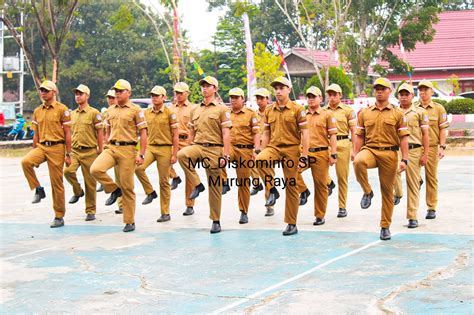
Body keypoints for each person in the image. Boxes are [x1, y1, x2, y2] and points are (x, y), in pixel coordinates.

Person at [353, 77, 409, 240]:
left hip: (389, 154)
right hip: (370, 150)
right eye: (377, 88)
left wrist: (404, 159)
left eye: (382, 88)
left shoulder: (398, 114)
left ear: (389, 92)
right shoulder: (364, 113)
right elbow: (359, 135)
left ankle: (385, 226)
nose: (379, 91)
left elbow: (404, 138)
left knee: (387, 192)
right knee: (358, 162)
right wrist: (356, 153)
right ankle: (367, 192)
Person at [90, 79, 147, 232]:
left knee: (128, 187)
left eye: (121, 91)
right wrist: (105, 145)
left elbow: (143, 132)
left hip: (128, 150)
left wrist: (141, 154)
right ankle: (114, 190)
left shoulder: (136, 110)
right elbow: (106, 131)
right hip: (111, 148)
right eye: (116, 90)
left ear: (129, 93)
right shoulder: (110, 110)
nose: (117, 93)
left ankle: (129, 221)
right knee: (95, 169)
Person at [177, 76, 232, 234]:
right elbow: (192, 131)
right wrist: (189, 146)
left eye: (208, 86)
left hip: (214, 149)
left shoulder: (222, 109)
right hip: (198, 146)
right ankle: (197, 184)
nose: (204, 88)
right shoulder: (196, 109)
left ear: (215, 89)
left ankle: (215, 220)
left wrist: (225, 155)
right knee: (182, 155)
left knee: (214, 187)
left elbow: (226, 134)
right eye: (203, 86)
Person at [256, 76, 309, 236]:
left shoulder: (297, 109)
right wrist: (263, 150)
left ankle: (291, 223)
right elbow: (266, 132)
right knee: (259, 160)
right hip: (274, 147)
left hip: (292, 149)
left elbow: (305, 133)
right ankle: (272, 189)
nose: (278, 91)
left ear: (289, 89)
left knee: (291, 186)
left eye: (281, 88)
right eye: (276, 88)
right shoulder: (269, 110)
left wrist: (304, 155)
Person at [21, 80, 72, 228]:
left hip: (57, 148)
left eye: (46, 90)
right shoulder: (38, 111)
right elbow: (35, 134)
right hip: (42, 146)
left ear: (53, 92)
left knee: (56, 183)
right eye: (41, 90)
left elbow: (68, 133)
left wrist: (68, 153)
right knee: (25, 162)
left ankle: (59, 216)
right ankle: (38, 189)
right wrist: (34, 150)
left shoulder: (63, 110)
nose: (43, 93)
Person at [135, 86, 179, 222]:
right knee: (138, 168)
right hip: (151, 147)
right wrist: (140, 152)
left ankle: (165, 212)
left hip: (165, 148)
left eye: (157, 95)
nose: (154, 98)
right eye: (152, 95)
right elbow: (142, 133)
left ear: (164, 98)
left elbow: (175, 135)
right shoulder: (146, 113)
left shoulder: (169, 113)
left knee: (164, 181)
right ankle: (150, 192)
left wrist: (174, 153)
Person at [296, 86, 337, 225]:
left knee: (320, 186)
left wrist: (334, 154)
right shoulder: (302, 114)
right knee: (292, 171)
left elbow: (332, 135)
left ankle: (320, 215)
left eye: (314, 96)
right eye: (308, 96)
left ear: (320, 98)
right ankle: (304, 191)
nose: (311, 99)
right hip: (305, 153)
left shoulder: (327, 115)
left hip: (321, 153)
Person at [64, 84, 104, 221]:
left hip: (90, 151)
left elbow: (100, 133)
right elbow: (68, 133)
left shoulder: (94, 113)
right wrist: (67, 152)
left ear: (87, 96)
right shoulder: (71, 114)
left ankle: (90, 210)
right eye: (76, 94)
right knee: (68, 171)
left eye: (80, 94)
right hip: (75, 151)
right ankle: (77, 191)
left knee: (90, 183)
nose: (77, 96)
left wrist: (100, 149)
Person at [393, 83, 429, 228]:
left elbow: (426, 134)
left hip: (414, 150)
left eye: (406, 94)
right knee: (393, 172)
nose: (403, 97)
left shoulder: (420, 112)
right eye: (401, 94)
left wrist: (425, 153)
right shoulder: (394, 112)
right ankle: (398, 193)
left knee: (412, 185)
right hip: (397, 150)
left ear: (412, 96)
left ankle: (412, 216)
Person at [223, 87, 260, 224]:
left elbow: (256, 133)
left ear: (242, 99)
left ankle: (244, 211)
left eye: (236, 97)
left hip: (245, 150)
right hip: (231, 147)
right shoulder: (226, 113)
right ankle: (224, 182)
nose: (233, 100)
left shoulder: (251, 114)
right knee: (219, 157)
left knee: (243, 182)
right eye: (231, 97)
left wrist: (256, 151)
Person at [415, 80, 449, 220]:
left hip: (433, 147)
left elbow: (443, 129)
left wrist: (442, 146)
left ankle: (431, 207)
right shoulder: (413, 108)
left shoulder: (438, 108)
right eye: (420, 90)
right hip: (416, 147)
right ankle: (414, 204)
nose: (423, 92)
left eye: (426, 90)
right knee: (414, 177)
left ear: (431, 91)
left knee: (431, 177)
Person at [324, 83, 356, 218]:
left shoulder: (347, 111)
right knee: (320, 172)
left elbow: (354, 131)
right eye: (329, 95)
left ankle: (342, 206)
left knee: (342, 177)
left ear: (340, 95)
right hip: (326, 144)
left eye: (334, 95)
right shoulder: (323, 111)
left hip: (343, 143)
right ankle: (329, 183)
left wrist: (354, 150)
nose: (331, 97)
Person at [169, 82, 197, 216]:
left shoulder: (193, 108)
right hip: (173, 141)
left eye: (181, 93)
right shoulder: (170, 108)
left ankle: (189, 204)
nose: (178, 95)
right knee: (164, 161)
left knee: (189, 173)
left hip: (187, 141)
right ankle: (174, 177)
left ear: (187, 93)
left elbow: (196, 127)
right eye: (176, 93)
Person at [252, 88, 276, 217]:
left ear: (267, 99)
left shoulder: (273, 112)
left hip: (269, 147)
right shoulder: (253, 114)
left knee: (268, 175)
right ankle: (256, 184)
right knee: (250, 165)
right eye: (258, 98)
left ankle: (269, 204)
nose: (259, 101)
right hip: (257, 146)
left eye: (262, 98)